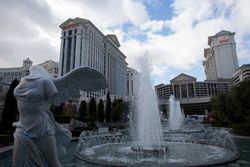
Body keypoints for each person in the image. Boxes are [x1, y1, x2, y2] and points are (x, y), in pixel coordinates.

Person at [12, 65, 71, 167]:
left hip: (41, 128)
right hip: (22, 127)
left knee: (53, 163)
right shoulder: (22, 82)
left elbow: (53, 99)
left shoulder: (46, 82)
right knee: (17, 163)